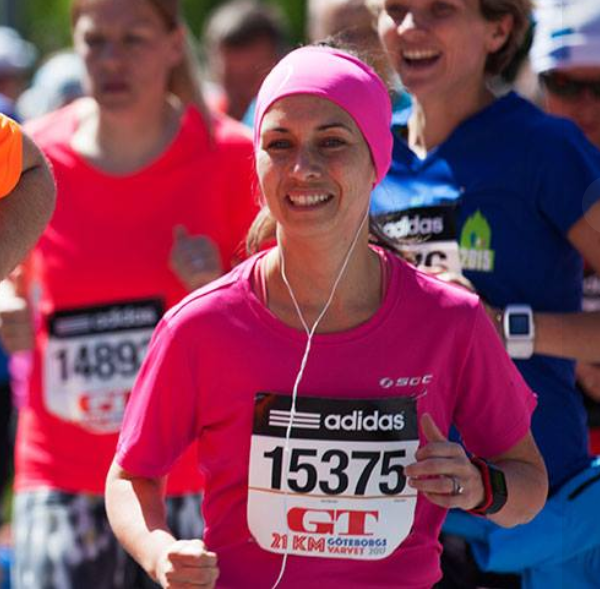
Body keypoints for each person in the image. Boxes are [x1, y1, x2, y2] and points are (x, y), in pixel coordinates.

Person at [105, 45, 547, 589]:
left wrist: (480, 487)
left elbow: (528, 484)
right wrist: (159, 551)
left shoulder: (449, 318)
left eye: (332, 142)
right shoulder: (199, 326)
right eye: (279, 144)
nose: (303, 168)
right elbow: (130, 475)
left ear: (376, 160)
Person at [0, 0, 257, 587]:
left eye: (133, 40)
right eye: (96, 41)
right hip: (62, 480)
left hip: (190, 482)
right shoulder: (34, 162)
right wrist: (7, 304)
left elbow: (289, 322)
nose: (111, 60)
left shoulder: (235, 157)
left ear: (174, 44)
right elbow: (13, 278)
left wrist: (219, 290)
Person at [367, 0, 600, 586]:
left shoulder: (546, 147)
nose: (410, 27)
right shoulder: (364, 150)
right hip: (398, 510)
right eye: (396, 8)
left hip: (530, 517)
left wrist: (503, 328)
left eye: (439, 9)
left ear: (499, 28)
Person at [531, 0, 600, 454]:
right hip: (545, 438)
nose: (585, 105)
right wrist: (575, 356)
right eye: (564, 85)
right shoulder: (512, 172)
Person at [202, 0, 290, 122]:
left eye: (251, 79)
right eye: (231, 79)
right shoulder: (201, 120)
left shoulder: (297, 121)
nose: (241, 93)